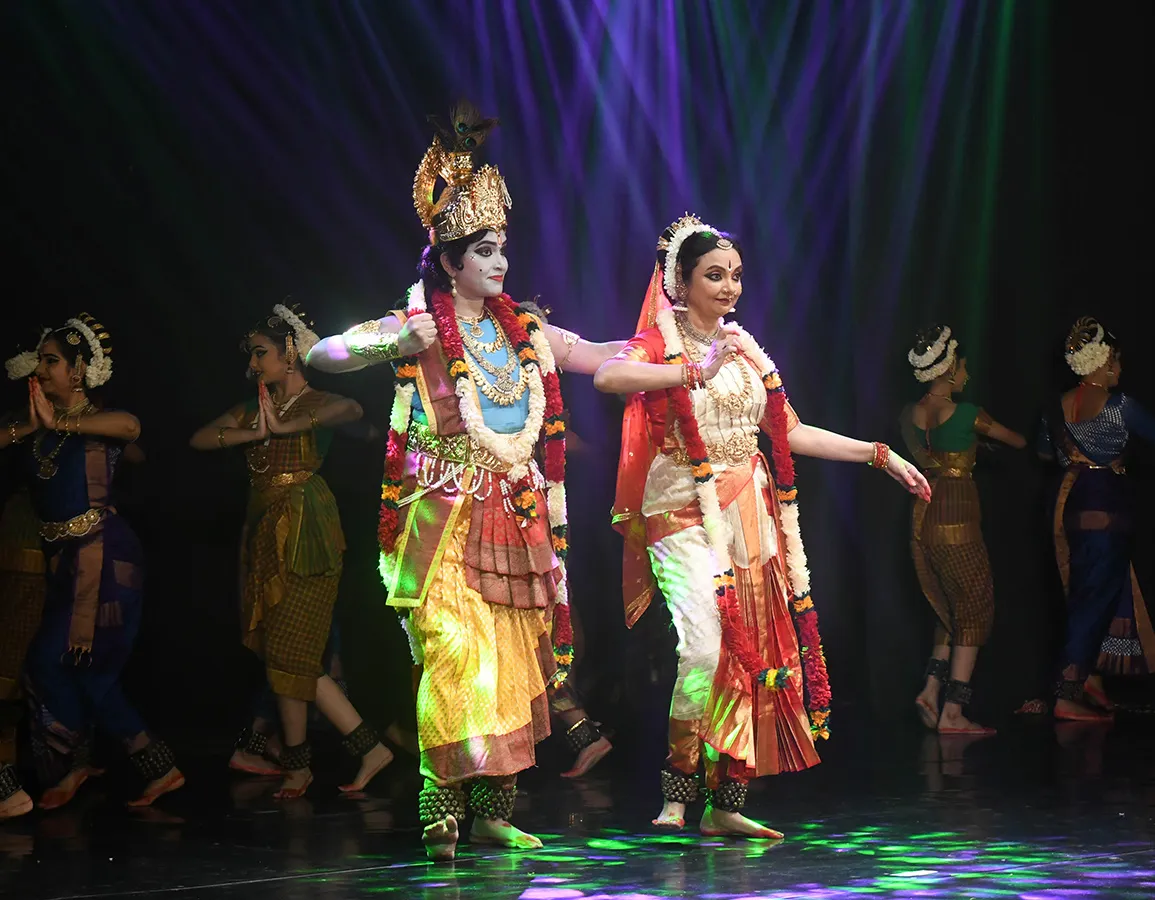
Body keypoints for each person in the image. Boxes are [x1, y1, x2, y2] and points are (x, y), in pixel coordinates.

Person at [306, 104, 622, 860]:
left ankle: (494, 810)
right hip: (437, 519)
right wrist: (389, 343)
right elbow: (321, 353)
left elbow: (599, 355)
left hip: (512, 518)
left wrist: (682, 355)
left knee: (512, 660)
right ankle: (439, 808)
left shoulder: (522, 330)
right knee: (455, 655)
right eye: (484, 250)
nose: (500, 263)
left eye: (503, 248)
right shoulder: (416, 329)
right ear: (449, 261)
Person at [594, 214, 931, 838]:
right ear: (680, 283)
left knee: (752, 653)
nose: (729, 288)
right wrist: (689, 371)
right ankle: (676, 788)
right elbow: (609, 376)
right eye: (714, 276)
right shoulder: (659, 346)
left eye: (737, 276)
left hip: (750, 516)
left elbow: (789, 433)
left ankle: (726, 803)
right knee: (702, 647)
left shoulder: (748, 351)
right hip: (681, 514)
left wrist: (878, 454)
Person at [190, 304, 393, 799]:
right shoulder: (253, 407)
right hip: (261, 531)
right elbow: (200, 438)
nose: (253, 365)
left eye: (262, 354)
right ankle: (329, 758)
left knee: (292, 651)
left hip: (306, 527)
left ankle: (340, 754)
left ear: (290, 355)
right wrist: (254, 432)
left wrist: (285, 428)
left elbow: (353, 410)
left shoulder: (314, 401)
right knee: (284, 653)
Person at [0, 315, 183, 810]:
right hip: (66, 563)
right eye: (40, 359)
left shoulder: (94, 423)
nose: (40, 369)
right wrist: (32, 424)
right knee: (55, 666)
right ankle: (98, 763)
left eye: (51, 361)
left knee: (78, 664)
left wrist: (57, 421)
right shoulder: (37, 428)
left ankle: (140, 766)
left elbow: (132, 427)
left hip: (106, 560)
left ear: (79, 370)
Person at [1038, 317, 1155, 721]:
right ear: (1099, 363)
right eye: (1114, 361)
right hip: (1106, 506)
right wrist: (1118, 456)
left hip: (1069, 504)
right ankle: (1065, 693)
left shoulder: (1057, 407)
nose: (1118, 370)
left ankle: (1092, 676)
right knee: (1094, 597)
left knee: (1093, 588)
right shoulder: (1120, 407)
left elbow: (1045, 454)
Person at [899, 325, 1027, 735]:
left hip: (923, 516)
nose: (967, 376)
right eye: (963, 368)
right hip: (957, 516)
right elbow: (1019, 442)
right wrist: (980, 444)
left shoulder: (908, 415)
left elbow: (931, 454)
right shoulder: (968, 414)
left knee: (947, 605)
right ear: (950, 367)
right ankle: (954, 711)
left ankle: (931, 689)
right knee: (974, 608)